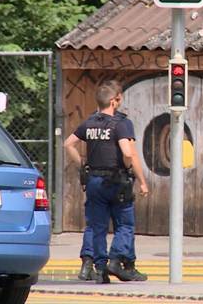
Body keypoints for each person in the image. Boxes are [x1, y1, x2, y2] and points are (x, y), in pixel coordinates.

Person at [64, 83, 149, 284]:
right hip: (116, 180)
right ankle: (116, 259)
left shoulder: (89, 123)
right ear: (113, 101)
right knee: (125, 225)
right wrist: (134, 173)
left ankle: (100, 269)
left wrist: (83, 164)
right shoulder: (121, 124)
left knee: (98, 226)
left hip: (94, 180)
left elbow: (68, 143)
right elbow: (128, 152)